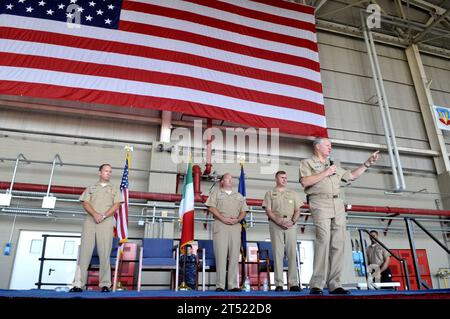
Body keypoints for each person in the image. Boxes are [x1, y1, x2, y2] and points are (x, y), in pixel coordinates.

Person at [299, 138, 380, 295]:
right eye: (327, 145)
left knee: (338, 243)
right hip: (319, 202)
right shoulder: (307, 163)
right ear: (317, 147)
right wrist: (325, 173)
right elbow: (305, 182)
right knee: (323, 240)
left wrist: (367, 163)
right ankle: (317, 284)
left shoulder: (333, 165)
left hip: (337, 204)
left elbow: (351, 176)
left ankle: (335, 283)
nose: (330, 148)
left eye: (330, 146)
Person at [70, 164, 123, 293]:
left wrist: (103, 215)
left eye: (110, 171)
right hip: (90, 221)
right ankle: (78, 284)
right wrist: (95, 214)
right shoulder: (91, 188)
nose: (108, 173)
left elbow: (117, 205)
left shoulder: (115, 189)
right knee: (84, 253)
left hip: (106, 222)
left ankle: (105, 284)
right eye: (106, 171)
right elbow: (85, 202)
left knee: (104, 253)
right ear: (100, 173)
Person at [205, 173, 249, 292]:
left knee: (235, 255)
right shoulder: (216, 193)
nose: (230, 180)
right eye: (227, 178)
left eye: (231, 178)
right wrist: (223, 218)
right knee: (221, 255)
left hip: (235, 226)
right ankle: (220, 285)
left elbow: (244, 210)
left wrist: (238, 219)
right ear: (222, 182)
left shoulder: (239, 195)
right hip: (221, 224)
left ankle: (232, 285)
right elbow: (211, 207)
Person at [263, 171, 301, 292]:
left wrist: (293, 221)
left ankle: (293, 283)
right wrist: (278, 221)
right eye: (282, 177)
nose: (284, 179)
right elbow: (268, 210)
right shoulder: (270, 193)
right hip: (275, 224)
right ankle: (279, 284)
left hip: (291, 224)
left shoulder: (293, 193)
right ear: (276, 179)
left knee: (291, 253)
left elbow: (297, 210)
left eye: (286, 177)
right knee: (278, 254)